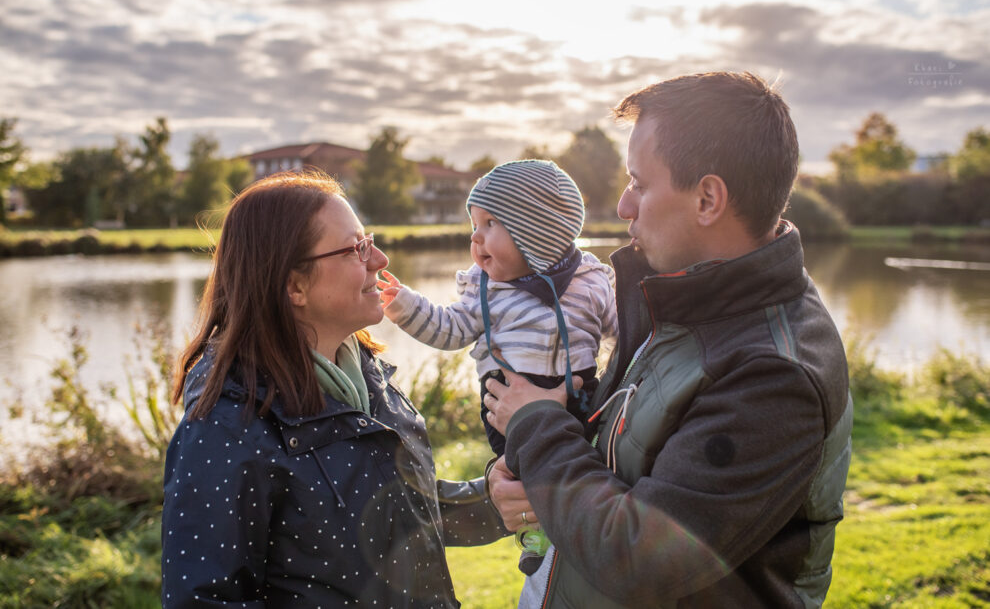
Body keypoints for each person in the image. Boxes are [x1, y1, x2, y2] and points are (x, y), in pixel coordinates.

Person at [484, 72, 853, 608]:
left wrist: (534, 425)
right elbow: (619, 467)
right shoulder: (687, 299)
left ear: (707, 199)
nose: (622, 205)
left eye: (639, 182)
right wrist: (530, 479)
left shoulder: (773, 374)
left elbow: (638, 556)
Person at [161, 171, 505, 608]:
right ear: (294, 286)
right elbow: (204, 601)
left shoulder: (367, 379)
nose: (379, 259)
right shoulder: (227, 427)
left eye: (369, 241)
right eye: (356, 248)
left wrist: (492, 503)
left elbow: (390, 511)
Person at [377, 159, 617, 574]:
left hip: (580, 394)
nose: (476, 236)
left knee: (586, 460)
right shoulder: (485, 287)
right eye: (474, 223)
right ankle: (537, 536)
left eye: (490, 223)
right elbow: (449, 329)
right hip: (505, 404)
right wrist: (406, 306)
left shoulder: (591, 279)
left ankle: (580, 529)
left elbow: (624, 333)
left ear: (536, 232)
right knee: (525, 471)